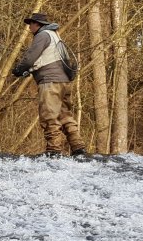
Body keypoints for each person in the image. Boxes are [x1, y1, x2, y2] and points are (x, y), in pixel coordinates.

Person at [11, 12, 87, 157]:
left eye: (30, 24)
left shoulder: (42, 35)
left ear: (37, 24)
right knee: (66, 116)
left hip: (50, 82)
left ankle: (54, 151)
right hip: (64, 81)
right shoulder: (55, 36)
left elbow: (30, 58)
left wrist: (19, 69)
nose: (29, 27)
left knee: (49, 116)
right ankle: (78, 148)